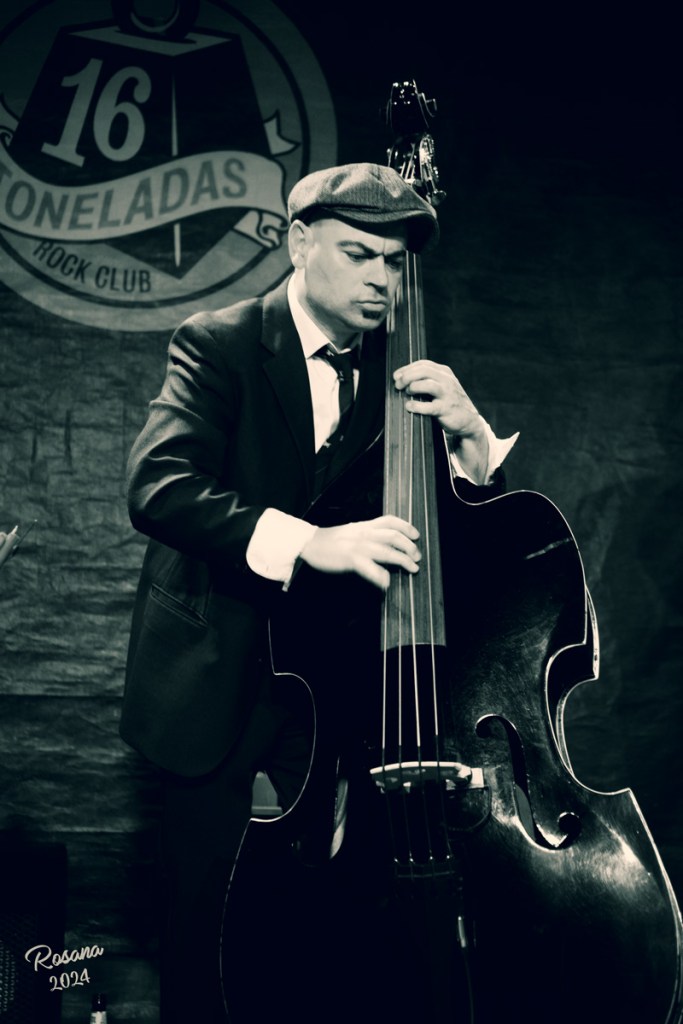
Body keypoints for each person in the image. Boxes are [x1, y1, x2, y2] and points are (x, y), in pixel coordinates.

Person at [121, 162, 516, 1023]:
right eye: (357, 254)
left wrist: (470, 438)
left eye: (393, 262)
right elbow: (159, 487)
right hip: (212, 676)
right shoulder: (219, 342)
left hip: (333, 690)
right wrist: (311, 543)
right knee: (203, 926)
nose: (380, 280)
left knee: (316, 924)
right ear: (299, 243)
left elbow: (462, 532)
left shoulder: (400, 369)